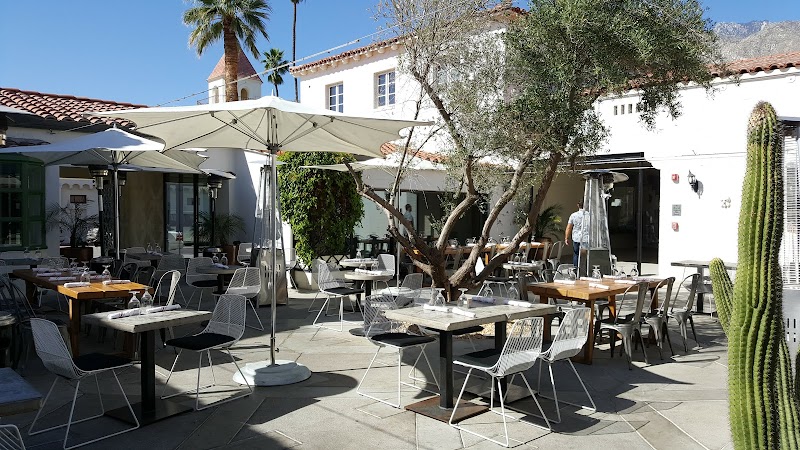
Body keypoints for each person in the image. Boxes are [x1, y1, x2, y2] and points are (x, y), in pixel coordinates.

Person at [564, 201, 584, 267]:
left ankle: (576, 269)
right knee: (586, 255)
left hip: (576, 238)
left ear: (578, 205)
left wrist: (566, 238)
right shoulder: (589, 215)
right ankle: (586, 270)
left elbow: (569, 227)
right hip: (586, 238)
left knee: (576, 254)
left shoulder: (573, 215)